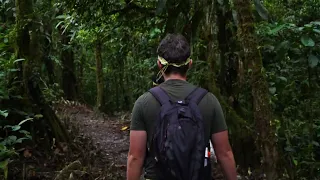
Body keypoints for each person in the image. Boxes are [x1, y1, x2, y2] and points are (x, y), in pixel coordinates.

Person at [127, 34, 237, 180]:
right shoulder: (209, 101)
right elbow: (224, 153)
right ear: (190, 64)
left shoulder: (144, 102)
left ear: (159, 65)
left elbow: (135, 157)